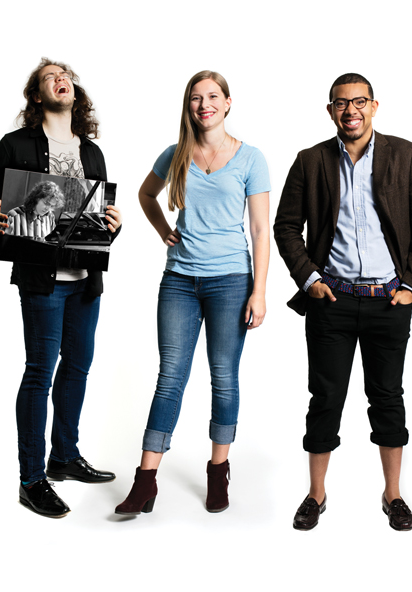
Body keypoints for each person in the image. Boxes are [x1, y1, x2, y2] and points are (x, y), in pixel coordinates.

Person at [274, 73, 412, 532]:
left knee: (387, 396)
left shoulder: (406, 155)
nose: (351, 110)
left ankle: (393, 495)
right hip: (332, 299)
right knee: (325, 397)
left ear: (374, 106)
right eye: (342, 103)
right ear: (330, 110)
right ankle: (315, 494)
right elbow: (286, 227)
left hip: (390, 300)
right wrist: (309, 279)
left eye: (360, 102)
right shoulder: (310, 161)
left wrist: (410, 285)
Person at [115, 70, 270, 516]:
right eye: (196, 98)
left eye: (213, 97)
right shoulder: (176, 153)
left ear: (227, 103)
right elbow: (146, 195)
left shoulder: (250, 158)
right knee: (171, 377)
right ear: (190, 107)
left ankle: (218, 471)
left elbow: (260, 230)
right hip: (180, 280)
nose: (205, 104)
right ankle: (146, 481)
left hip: (230, 281)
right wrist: (164, 229)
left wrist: (259, 291)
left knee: (223, 376)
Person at [0, 58, 122, 518]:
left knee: (77, 366)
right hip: (42, 280)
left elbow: (97, 219)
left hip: (85, 281)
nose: (61, 80)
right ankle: (31, 478)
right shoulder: (16, 144)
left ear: (74, 92)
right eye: (48, 78)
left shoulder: (92, 152)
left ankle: (64, 457)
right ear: (37, 96)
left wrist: (112, 226)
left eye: (66, 76)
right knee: (40, 372)